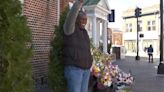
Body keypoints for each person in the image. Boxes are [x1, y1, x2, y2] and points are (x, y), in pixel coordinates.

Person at [63, 0, 93, 92]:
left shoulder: (84, 32)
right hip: (74, 70)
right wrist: (78, 3)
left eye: (86, 20)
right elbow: (71, 16)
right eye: (82, 19)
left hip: (86, 70)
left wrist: (91, 63)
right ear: (76, 19)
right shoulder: (70, 29)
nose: (84, 22)